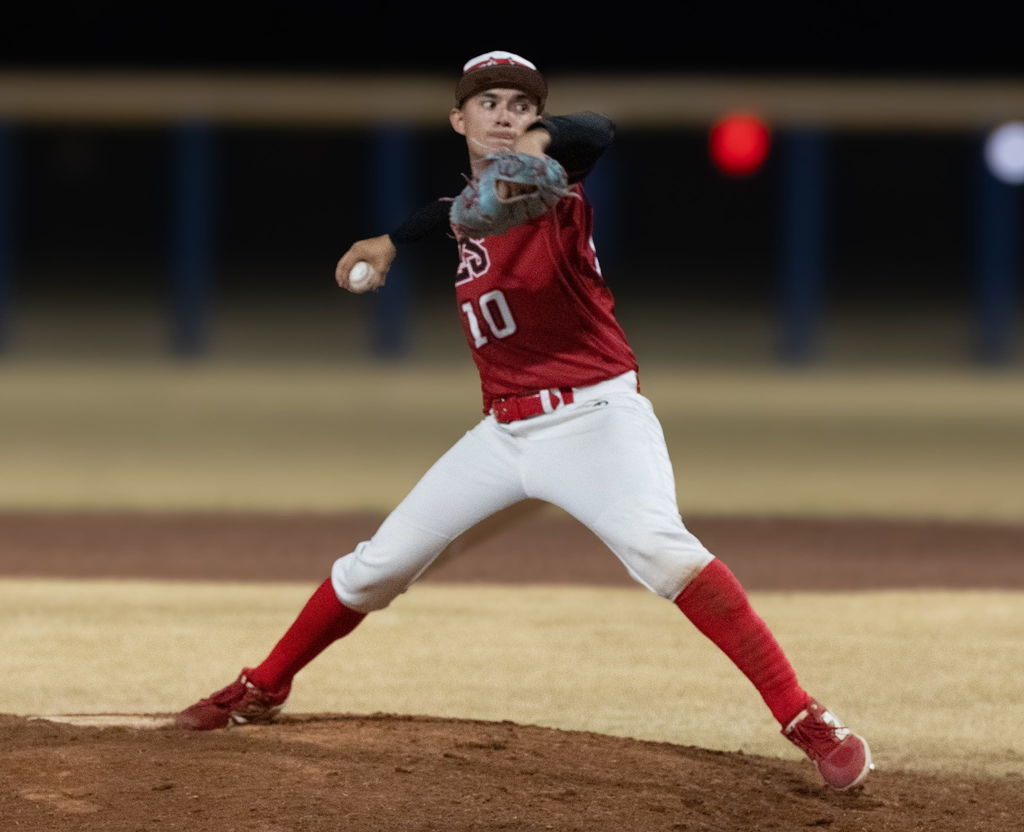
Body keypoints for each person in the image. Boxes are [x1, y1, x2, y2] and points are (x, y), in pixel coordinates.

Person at [175, 51, 873, 791]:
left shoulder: (552, 193)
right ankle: (266, 686)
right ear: (458, 119)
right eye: (488, 103)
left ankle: (806, 718)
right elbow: (451, 213)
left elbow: (596, 130)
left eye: (518, 104)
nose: (503, 115)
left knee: (664, 553)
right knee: (374, 568)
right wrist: (389, 240)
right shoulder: (466, 211)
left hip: (595, 416)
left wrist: (542, 146)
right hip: (503, 434)